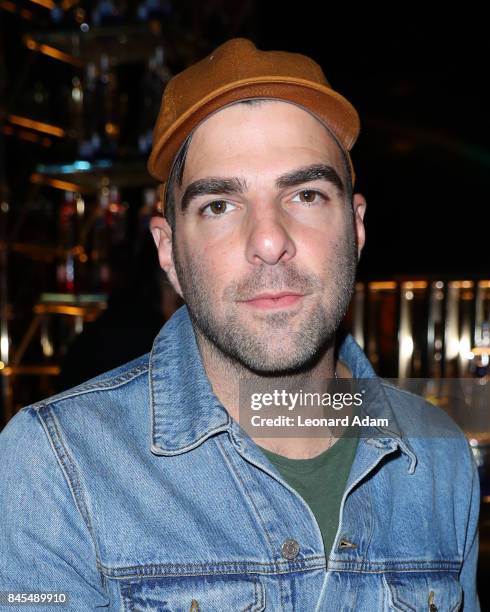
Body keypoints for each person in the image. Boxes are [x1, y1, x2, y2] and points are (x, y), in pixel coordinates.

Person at [0, 38, 480, 611]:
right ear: (169, 252)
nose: (270, 241)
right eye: (219, 205)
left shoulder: (440, 458)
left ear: (355, 228)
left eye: (305, 194)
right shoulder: (54, 466)